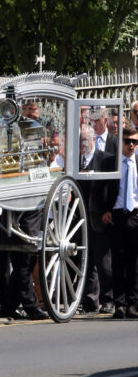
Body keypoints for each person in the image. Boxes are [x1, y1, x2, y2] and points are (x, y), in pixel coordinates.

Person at [94, 126, 138, 319]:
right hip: (117, 215)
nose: (131, 145)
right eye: (127, 141)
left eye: (135, 142)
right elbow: (99, 188)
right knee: (118, 261)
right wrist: (104, 210)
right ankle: (119, 303)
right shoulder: (109, 162)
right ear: (120, 142)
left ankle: (133, 303)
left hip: (135, 214)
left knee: (135, 262)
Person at [80, 124, 115, 313]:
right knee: (85, 260)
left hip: (99, 215)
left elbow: (111, 187)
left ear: (94, 139)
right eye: (80, 141)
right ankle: (89, 298)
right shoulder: (75, 160)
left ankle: (108, 298)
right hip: (79, 218)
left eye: (86, 140)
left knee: (103, 261)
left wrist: (107, 210)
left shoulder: (105, 159)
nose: (83, 144)